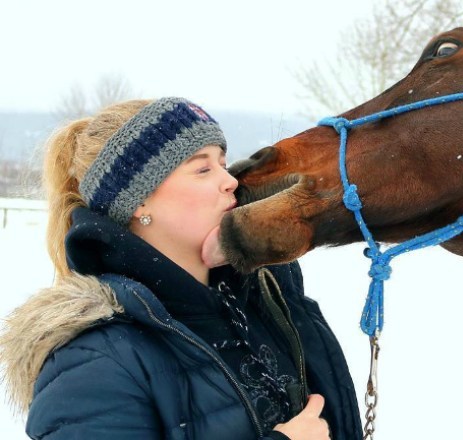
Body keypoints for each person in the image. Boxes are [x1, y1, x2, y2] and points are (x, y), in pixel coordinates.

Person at [0, 97, 362, 439]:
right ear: (138, 200)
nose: (230, 180)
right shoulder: (90, 361)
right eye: (203, 168)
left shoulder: (271, 301)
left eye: (222, 162)